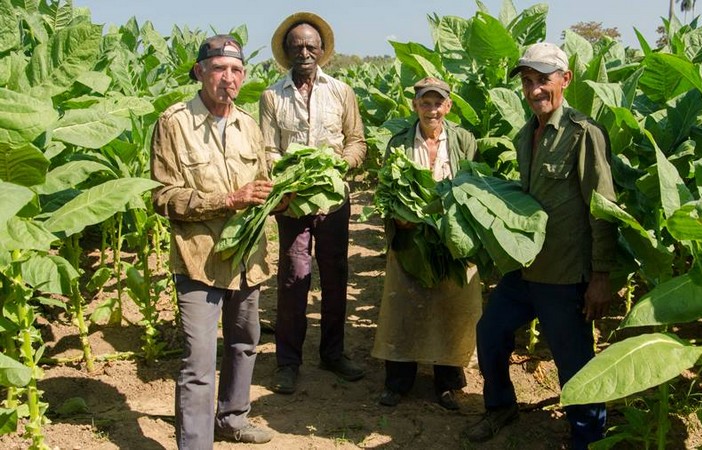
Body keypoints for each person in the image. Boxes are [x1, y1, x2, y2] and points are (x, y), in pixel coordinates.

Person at [463, 42, 617, 449]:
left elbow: (603, 207)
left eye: (542, 80)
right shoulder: (524, 135)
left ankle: (588, 438)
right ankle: (500, 407)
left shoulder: (583, 134)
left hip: (565, 274)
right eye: (528, 82)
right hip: (525, 268)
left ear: (565, 80)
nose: (534, 90)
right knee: (490, 331)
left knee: (575, 363)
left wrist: (600, 275)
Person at [150, 35, 278, 448]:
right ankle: (196, 442)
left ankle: (232, 418)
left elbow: (262, 186)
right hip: (199, 261)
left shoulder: (249, 125)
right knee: (199, 362)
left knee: (244, 344)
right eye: (219, 69)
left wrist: (280, 195)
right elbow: (162, 197)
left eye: (236, 70)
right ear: (200, 72)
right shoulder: (174, 123)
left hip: (248, 259)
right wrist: (226, 200)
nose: (229, 78)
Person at [259, 12, 367, 395]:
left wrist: (342, 163)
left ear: (322, 51)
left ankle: (333, 353)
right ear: (286, 53)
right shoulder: (272, 96)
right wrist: (288, 180)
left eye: (311, 46)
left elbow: (357, 141)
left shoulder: (341, 92)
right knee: (292, 278)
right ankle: (288, 362)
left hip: (334, 198)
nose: (304, 52)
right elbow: (268, 149)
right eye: (296, 46)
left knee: (335, 275)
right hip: (292, 202)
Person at [371, 77, 482, 411]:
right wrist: (397, 218)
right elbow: (387, 189)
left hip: (450, 236)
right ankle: (398, 382)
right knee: (403, 306)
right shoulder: (399, 142)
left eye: (438, 103)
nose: (431, 109)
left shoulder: (463, 140)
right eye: (425, 102)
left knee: (451, 306)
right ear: (415, 105)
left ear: (448, 106)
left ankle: (447, 383)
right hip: (410, 235)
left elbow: (472, 186)